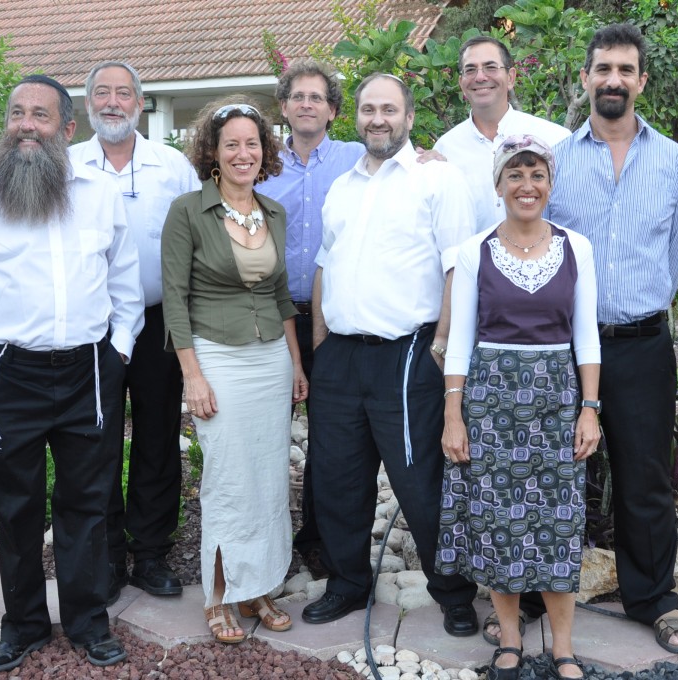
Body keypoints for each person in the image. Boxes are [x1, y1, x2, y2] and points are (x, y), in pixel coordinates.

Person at [0, 75, 143, 671]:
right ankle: (23, 625)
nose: (27, 124)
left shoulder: (100, 196)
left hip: (89, 372)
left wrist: (120, 350)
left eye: (41, 115)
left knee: (87, 503)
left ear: (67, 130)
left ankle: (86, 623)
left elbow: (125, 283)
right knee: (16, 508)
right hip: (7, 376)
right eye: (18, 113)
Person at [301, 73, 479, 635]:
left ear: (407, 117)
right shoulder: (344, 185)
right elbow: (325, 265)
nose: (378, 119)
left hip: (407, 355)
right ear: (353, 115)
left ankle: (452, 592)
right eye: (368, 109)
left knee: (420, 484)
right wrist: (320, 343)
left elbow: (459, 267)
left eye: (389, 109)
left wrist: (443, 347)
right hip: (340, 357)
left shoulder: (438, 180)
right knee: (336, 479)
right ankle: (348, 583)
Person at [545, 23, 678, 654]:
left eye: (624, 70)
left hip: (640, 346)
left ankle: (654, 599)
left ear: (641, 81)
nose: (612, 80)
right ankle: (538, 592)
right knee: (555, 471)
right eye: (602, 68)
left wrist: (640, 310)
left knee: (645, 478)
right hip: (564, 346)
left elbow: (674, 258)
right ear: (586, 78)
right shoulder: (555, 159)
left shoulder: (673, 162)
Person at [437, 135, 601, 680]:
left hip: (557, 399)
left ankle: (563, 647)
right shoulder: (473, 250)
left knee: (558, 521)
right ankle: (509, 641)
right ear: (499, 185)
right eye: (515, 175)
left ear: (550, 184)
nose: (526, 186)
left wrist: (589, 407)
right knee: (497, 521)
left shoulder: (576, 247)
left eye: (536, 175)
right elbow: (460, 340)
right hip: (490, 398)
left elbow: (587, 338)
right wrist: (453, 414)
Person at [161, 96, 309, 643]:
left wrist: (295, 364)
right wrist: (192, 375)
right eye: (232, 145)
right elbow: (175, 300)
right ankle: (220, 595)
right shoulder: (188, 211)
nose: (243, 153)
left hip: (270, 358)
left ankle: (259, 586)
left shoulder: (274, 213)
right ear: (213, 153)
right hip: (216, 356)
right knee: (227, 479)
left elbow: (280, 296)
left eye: (252, 143)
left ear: (263, 151)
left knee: (269, 477)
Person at [70, 60, 201, 606]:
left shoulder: (171, 166)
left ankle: (149, 551)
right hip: (87, 329)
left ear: (141, 103)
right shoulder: (66, 166)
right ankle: (104, 554)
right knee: (94, 442)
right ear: (88, 105)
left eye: (124, 93)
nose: (113, 102)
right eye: (102, 93)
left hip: (158, 325)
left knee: (156, 439)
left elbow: (199, 240)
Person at [259, 59, 364, 574]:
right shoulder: (262, 163)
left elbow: (406, 164)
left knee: (331, 436)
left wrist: (429, 156)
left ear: (332, 109)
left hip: (330, 321)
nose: (306, 104)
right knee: (267, 430)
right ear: (284, 107)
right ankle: (265, 539)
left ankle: (318, 539)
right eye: (297, 96)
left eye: (317, 97)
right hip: (269, 319)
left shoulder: (356, 158)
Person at [430, 36, 570, 234]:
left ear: (511, 77)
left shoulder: (556, 139)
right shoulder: (445, 150)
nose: (480, 77)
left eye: (490, 67)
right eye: (471, 70)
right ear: (461, 83)